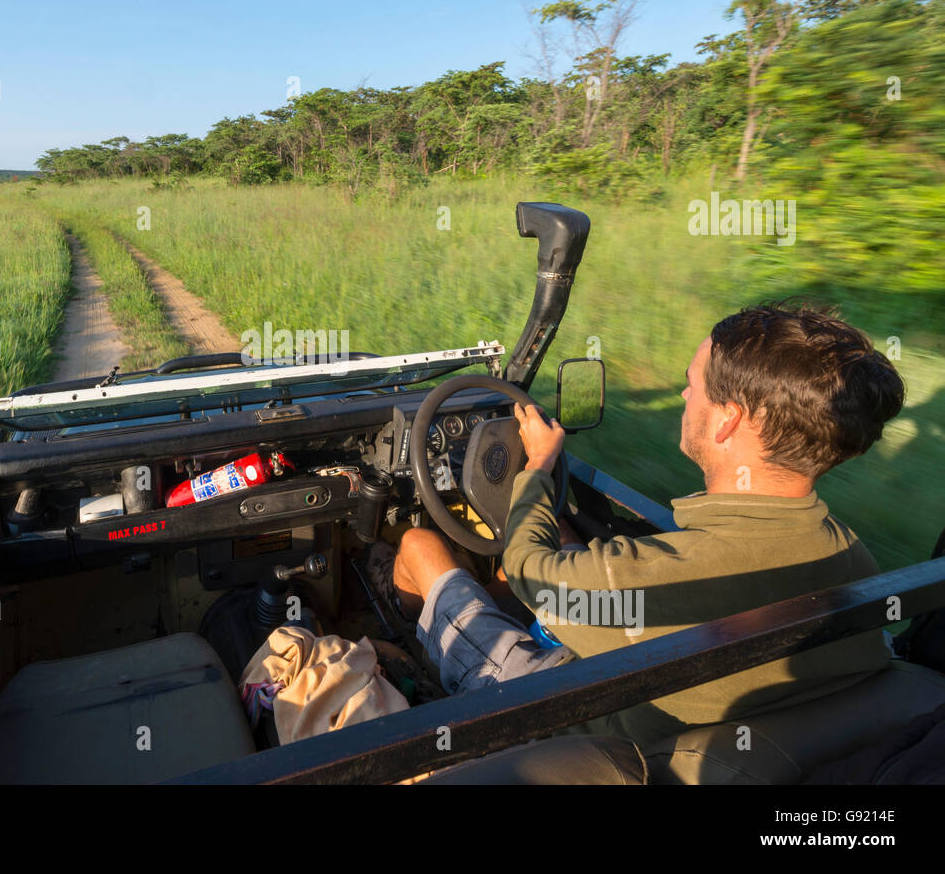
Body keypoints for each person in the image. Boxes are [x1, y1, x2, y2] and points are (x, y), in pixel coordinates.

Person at [383, 303, 906, 745]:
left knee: (419, 546)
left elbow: (528, 571)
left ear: (728, 419)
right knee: (564, 538)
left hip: (580, 726)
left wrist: (537, 469)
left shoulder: (649, 578)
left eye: (691, 384)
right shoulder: (854, 557)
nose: (683, 397)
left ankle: (418, 659)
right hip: (711, 716)